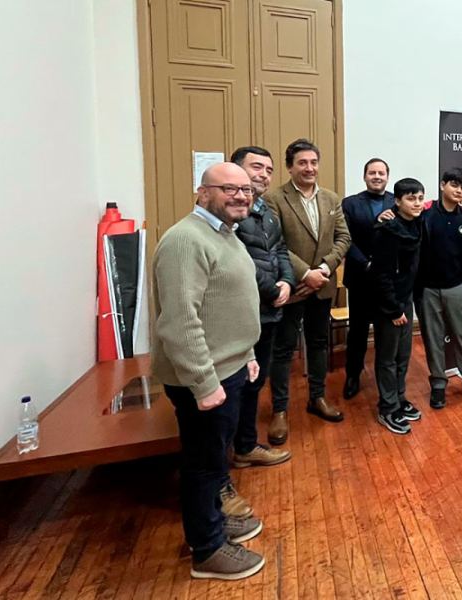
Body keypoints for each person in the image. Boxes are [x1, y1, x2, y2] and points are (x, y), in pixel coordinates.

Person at [152, 162, 265, 580]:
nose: (240, 196)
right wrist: (203, 381)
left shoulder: (225, 235)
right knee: (202, 464)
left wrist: (247, 351)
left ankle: (213, 521)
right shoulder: (185, 240)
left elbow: (230, 304)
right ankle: (207, 549)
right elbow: (180, 321)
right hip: (204, 376)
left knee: (217, 458)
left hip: (229, 367)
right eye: (228, 189)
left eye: (246, 190)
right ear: (203, 193)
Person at [266, 139, 351, 441]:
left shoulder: (331, 199)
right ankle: (279, 410)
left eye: (313, 162)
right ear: (290, 167)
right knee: (283, 349)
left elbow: (343, 238)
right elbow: (274, 242)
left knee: (318, 343)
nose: (309, 168)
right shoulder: (274, 199)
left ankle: (317, 397)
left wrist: (325, 270)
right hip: (292, 286)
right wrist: (305, 273)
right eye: (302, 163)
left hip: (323, 285)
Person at [229, 146, 294, 469]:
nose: (264, 175)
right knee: (237, 383)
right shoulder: (231, 214)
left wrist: (287, 282)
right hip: (241, 312)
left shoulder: (266, 212)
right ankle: (234, 449)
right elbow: (239, 259)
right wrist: (272, 290)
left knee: (255, 381)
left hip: (267, 312)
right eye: (256, 167)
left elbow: (280, 251)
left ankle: (245, 446)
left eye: (269, 170)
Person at [414, 168, 462, 409]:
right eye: (454, 185)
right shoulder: (425, 213)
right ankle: (438, 384)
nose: (459, 191)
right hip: (427, 290)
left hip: (458, 288)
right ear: (442, 185)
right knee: (433, 339)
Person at [370, 177, 425, 434]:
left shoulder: (417, 224)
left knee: (403, 355)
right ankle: (388, 408)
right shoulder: (386, 231)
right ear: (398, 201)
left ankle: (399, 399)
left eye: (420, 198)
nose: (417, 203)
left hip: (406, 299)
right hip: (389, 305)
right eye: (411, 199)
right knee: (387, 358)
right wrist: (393, 310)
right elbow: (381, 276)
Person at [341, 158, 395, 400]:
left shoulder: (397, 201)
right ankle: (352, 375)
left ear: (387, 177)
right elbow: (345, 239)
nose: (377, 176)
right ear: (364, 177)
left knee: (386, 332)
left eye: (381, 173)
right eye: (372, 172)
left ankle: (387, 377)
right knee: (358, 332)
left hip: (388, 281)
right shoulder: (350, 203)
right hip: (360, 278)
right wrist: (366, 263)